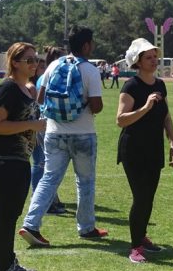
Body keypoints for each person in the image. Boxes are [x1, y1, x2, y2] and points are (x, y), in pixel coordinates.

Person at [19, 26, 107, 246]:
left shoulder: (54, 65)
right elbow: (96, 106)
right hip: (83, 133)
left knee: (49, 179)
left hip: (54, 133)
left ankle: (31, 224)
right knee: (85, 182)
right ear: (86, 46)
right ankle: (86, 227)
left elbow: (40, 99)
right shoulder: (90, 70)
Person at [0, 42, 46, 271]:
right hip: (2, 160)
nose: (34, 64)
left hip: (17, 160)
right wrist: (31, 125)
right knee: (3, 218)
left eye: (36, 59)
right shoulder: (7, 88)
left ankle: (9, 264)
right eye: (29, 60)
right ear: (15, 63)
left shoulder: (25, 89)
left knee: (10, 217)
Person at [117, 38, 173, 263]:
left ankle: (141, 236)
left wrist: (172, 142)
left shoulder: (160, 84)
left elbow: (166, 116)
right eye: (149, 57)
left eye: (155, 57)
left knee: (149, 197)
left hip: (154, 148)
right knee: (141, 197)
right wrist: (145, 107)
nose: (154, 61)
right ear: (138, 61)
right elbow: (120, 120)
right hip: (133, 149)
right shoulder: (131, 86)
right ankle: (135, 247)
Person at [30, 46, 67, 215]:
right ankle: (44, 201)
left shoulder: (44, 77)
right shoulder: (50, 77)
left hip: (44, 125)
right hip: (46, 125)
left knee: (45, 164)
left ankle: (50, 199)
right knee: (44, 165)